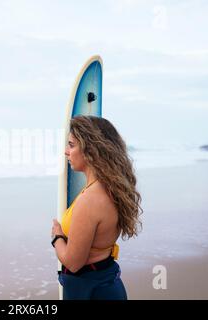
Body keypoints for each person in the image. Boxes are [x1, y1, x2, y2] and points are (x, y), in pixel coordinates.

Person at [51, 115, 142, 300]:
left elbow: (74, 263)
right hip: (105, 283)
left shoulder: (91, 199)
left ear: (90, 149)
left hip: (92, 292)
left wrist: (57, 237)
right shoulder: (111, 187)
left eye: (71, 145)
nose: (66, 152)